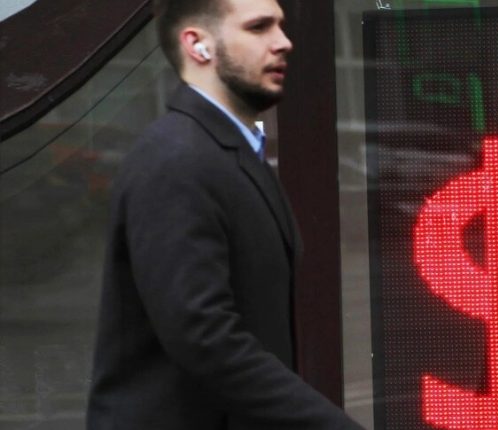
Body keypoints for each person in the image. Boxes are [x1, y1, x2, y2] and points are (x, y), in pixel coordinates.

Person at [86, 0, 364, 428]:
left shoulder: (225, 151)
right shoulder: (176, 160)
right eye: (259, 27)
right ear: (197, 45)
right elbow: (205, 337)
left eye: (281, 26)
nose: (284, 42)